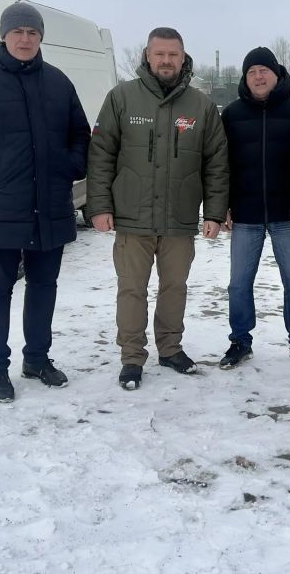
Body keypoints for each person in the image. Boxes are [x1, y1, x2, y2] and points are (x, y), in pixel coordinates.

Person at [0, 1, 91, 403]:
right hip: (0, 208)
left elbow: (80, 134)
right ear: (4, 36)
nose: (25, 39)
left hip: (50, 206)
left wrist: (71, 166)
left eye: (32, 32)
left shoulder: (58, 83)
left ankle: (37, 359)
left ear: (40, 37)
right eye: (17, 32)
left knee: (43, 286)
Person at [86, 27, 229, 391]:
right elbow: (101, 155)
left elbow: (216, 163)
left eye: (173, 55)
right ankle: (132, 357)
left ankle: (170, 348)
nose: (166, 61)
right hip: (132, 217)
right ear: (147, 56)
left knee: (175, 287)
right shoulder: (121, 97)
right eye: (160, 54)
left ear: (183, 58)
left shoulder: (201, 105)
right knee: (131, 289)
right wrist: (99, 205)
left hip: (179, 218)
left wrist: (214, 213)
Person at [218, 47, 290, 369]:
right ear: (245, 78)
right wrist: (223, 206)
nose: (258, 77)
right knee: (238, 283)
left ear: (277, 75)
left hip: (286, 214)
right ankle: (240, 340)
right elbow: (221, 164)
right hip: (245, 214)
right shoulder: (232, 114)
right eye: (252, 72)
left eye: (264, 71)